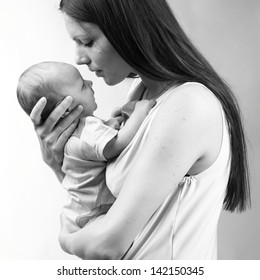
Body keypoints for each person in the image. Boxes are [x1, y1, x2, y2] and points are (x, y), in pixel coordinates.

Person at [29, 0, 250, 260]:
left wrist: (66, 239)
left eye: (87, 41)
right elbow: (101, 204)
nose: (78, 58)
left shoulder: (190, 105)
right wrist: (58, 162)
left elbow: (107, 245)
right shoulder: (141, 95)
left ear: (128, 29)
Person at [17, 61, 156, 233]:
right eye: (83, 85)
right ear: (65, 109)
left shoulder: (77, 133)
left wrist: (111, 122)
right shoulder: (86, 132)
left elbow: (97, 144)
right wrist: (141, 111)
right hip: (93, 214)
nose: (90, 83)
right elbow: (117, 144)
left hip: (82, 210)